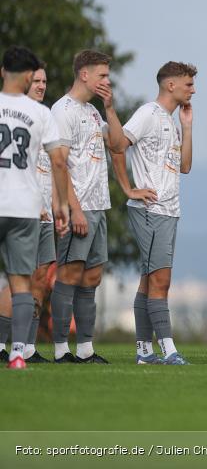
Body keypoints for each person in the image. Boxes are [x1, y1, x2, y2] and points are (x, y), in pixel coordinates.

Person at [111, 62, 196, 365]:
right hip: (150, 210)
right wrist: (129, 189)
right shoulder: (148, 113)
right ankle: (169, 349)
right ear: (170, 85)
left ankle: (144, 352)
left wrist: (186, 127)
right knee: (161, 280)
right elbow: (118, 144)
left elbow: (184, 166)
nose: (193, 90)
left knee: (149, 280)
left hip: (169, 210)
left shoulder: (171, 121)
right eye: (188, 84)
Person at [50, 49, 127, 364]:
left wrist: (109, 108)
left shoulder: (94, 112)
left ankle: (85, 349)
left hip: (100, 206)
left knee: (92, 277)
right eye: (103, 75)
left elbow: (119, 145)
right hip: (78, 207)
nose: (107, 80)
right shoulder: (62, 110)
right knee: (68, 274)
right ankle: (59, 350)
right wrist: (74, 209)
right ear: (84, 74)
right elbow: (60, 164)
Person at [0, 45, 70, 369]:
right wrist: (61, 205)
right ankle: (17, 353)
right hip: (26, 207)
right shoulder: (41, 113)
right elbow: (58, 161)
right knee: (22, 282)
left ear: (3, 72)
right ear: (29, 76)